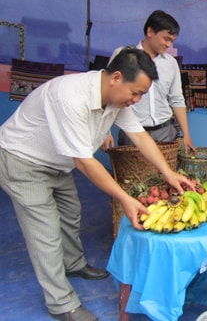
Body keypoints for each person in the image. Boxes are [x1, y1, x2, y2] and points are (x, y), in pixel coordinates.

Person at [0, 47, 194, 321]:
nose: (136, 100)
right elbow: (85, 163)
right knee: (45, 232)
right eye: (135, 93)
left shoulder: (116, 101)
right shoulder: (70, 97)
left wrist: (168, 172)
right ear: (116, 77)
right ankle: (61, 303)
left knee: (70, 213)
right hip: (23, 160)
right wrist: (125, 199)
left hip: (57, 162)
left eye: (141, 95)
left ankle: (74, 264)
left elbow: (139, 137)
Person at [102, 10, 196, 155]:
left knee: (166, 175)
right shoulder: (124, 55)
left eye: (172, 41)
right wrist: (105, 131)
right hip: (132, 133)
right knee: (132, 176)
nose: (168, 44)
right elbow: (106, 93)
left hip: (165, 132)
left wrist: (187, 135)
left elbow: (177, 100)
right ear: (150, 31)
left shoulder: (171, 63)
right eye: (166, 39)